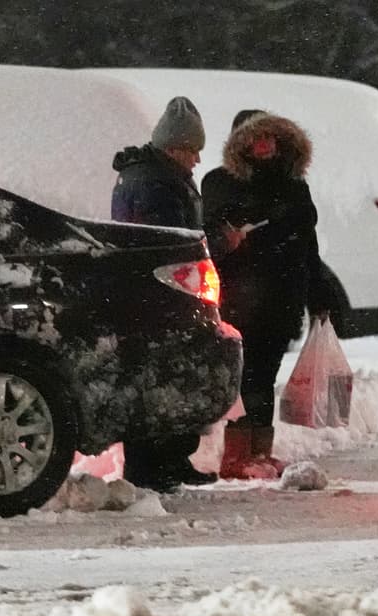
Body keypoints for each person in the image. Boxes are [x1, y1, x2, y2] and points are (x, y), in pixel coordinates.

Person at [202, 109, 347, 478]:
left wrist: (319, 297)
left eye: (270, 137)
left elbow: (308, 249)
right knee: (245, 376)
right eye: (255, 138)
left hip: (282, 301)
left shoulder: (294, 187)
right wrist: (231, 238)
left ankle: (258, 453)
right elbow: (209, 236)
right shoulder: (221, 183)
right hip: (240, 300)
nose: (264, 145)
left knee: (264, 375)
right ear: (241, 144)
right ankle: (237, 457)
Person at [109, 96, 219, 490]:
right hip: (162, 295)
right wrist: (216, 242)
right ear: (174, 147)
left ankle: (165, 461)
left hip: (151, 293)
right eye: (193, 151)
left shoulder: (145, 175)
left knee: (158, 378)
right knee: (163, 378)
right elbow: (172, 243)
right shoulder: (158, 184)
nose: (197, 160)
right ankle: (156, 465)